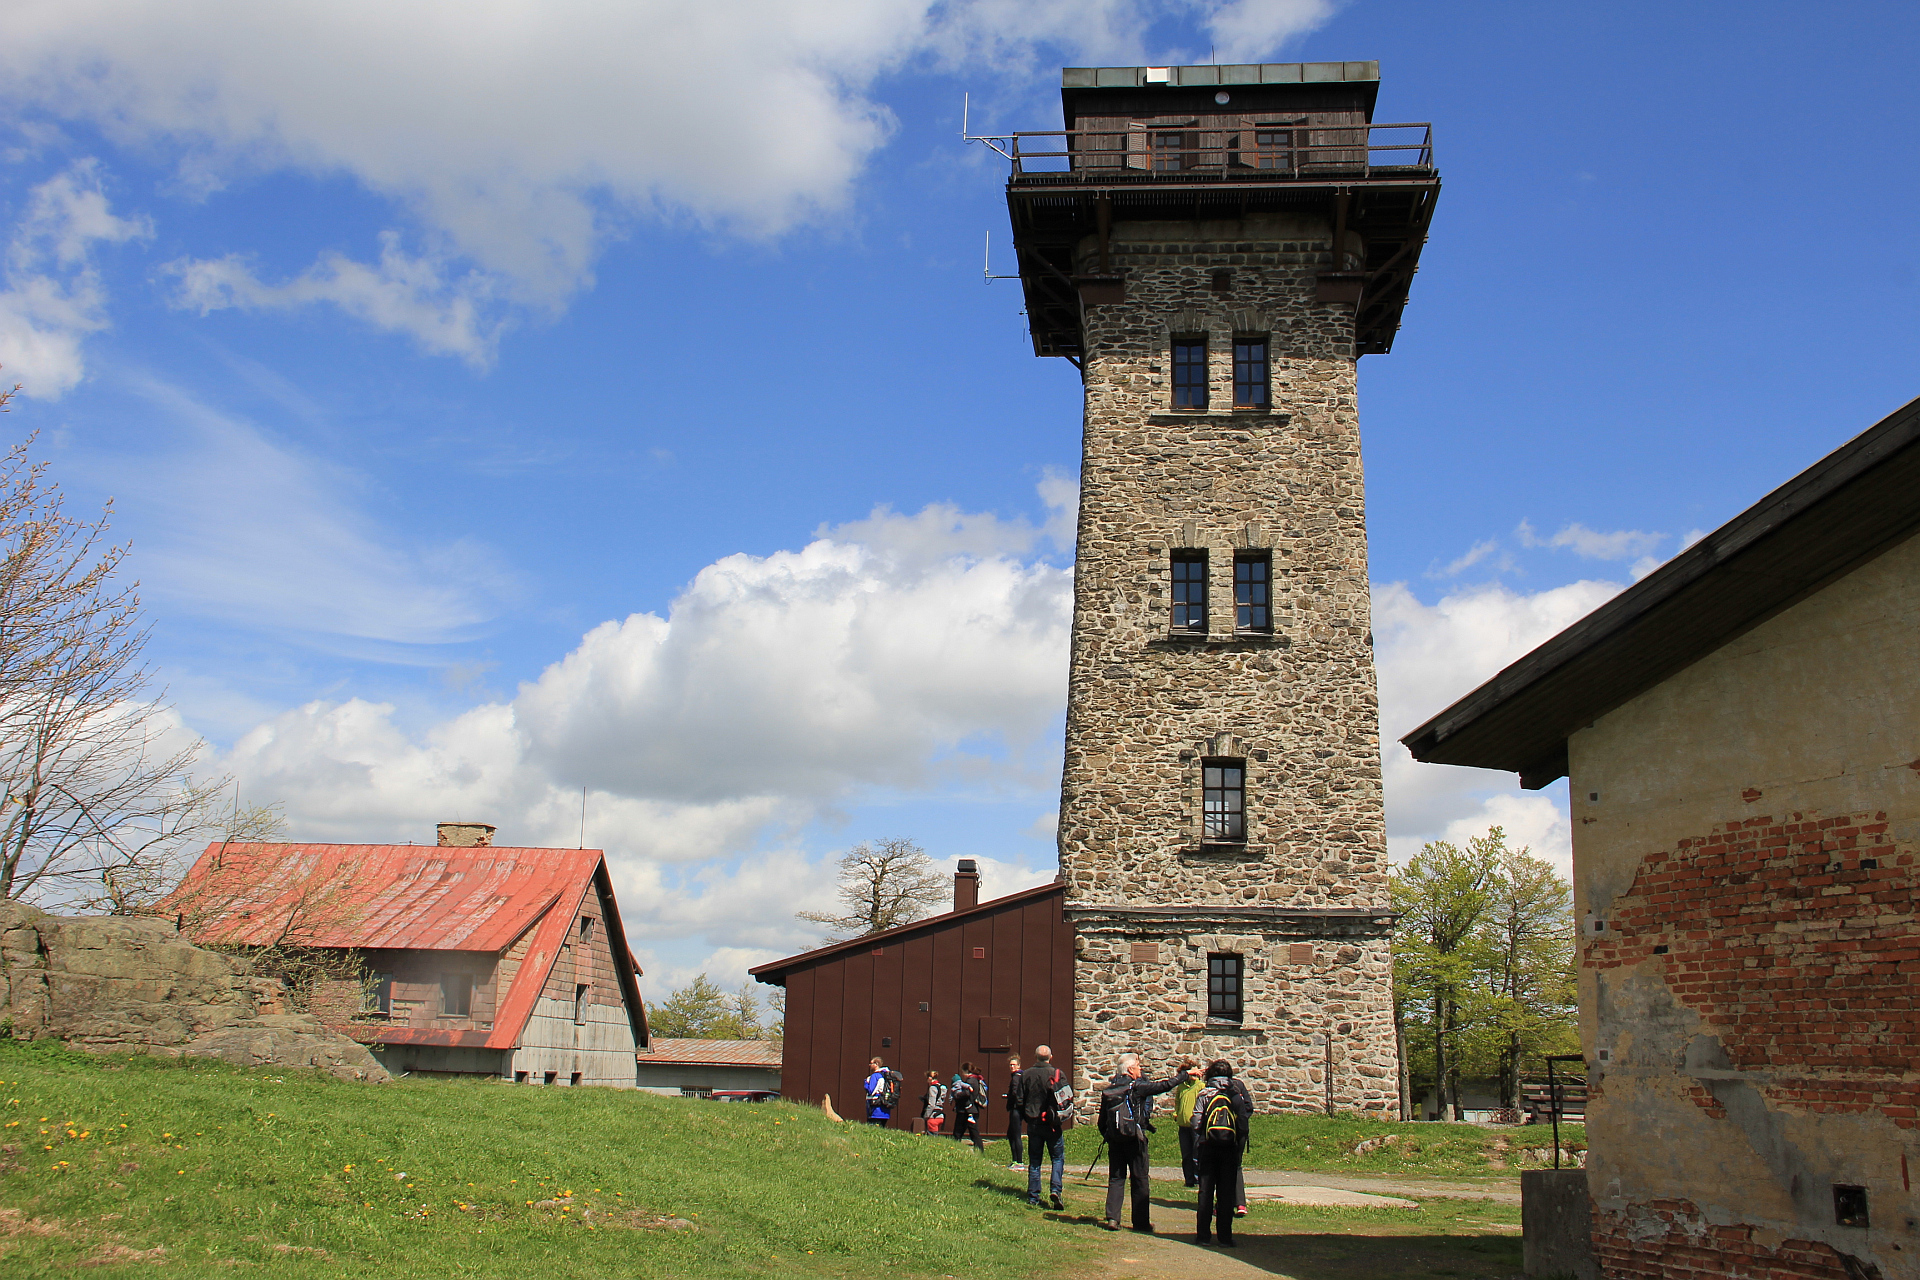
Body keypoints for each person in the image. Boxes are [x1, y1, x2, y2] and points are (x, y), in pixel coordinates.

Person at [1098, 1052, 1198, 1233]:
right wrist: (1185, 1075)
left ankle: (1113, 1218)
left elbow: (1102, 1122)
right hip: (1135, 1139)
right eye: (1138, 1066)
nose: (1140, 1069)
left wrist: (1110, 1135)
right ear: (1130, 1070)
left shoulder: (1110, 1090)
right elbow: (1164, 1085)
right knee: (1140, 1179)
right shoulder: (1137, 1087)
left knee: (1116, 1178)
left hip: (1115, 1141)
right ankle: (1141, 1222)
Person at [1191, 1058, 1253, 1247]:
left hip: (1208, 1146)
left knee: (1205, 1192)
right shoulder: (1235, 1095)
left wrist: (1203, 1135)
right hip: (1229, 1148)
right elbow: (1243, 1124)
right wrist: (1238, 1146)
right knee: (1226, 1193)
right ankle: (1225, 1237)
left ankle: (1203, 1236)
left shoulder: (1204, 1094)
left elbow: (1195, 1122)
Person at [1013, 1044, 1068, 1210]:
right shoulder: (1057, 1074)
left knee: (1035, 1160)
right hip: (1052, 1123)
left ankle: (1033, 1196)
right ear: (1051, 1057)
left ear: (1035, 1057)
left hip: (1034, 1122)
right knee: (1057, 1158)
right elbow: (1066, 1098)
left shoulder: (1026, 1074)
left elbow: (1019, 1100)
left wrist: (1026, 1116)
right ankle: (1056, 1190)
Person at [1169, 1057, 1202, 1188]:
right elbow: (1178, 1102)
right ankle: (1189, 1179)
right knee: (1186, 1154)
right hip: (1183, 1125)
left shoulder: (1200, 1086)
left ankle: (1198, 1178)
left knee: (1196, 1153)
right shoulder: (1181, 1087)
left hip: (1196, 1126)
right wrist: (1176, 1114)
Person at [950, 1061, 987, 1152]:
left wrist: (957, 1095)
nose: (962, 1074)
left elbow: (967, 1093)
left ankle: (954, 1150)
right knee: (974, 1133)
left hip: (965, 1111)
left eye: (962, 1072)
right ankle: (979, 1151)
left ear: (966, 1071)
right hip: (973, 1111)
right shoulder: (976, 1079)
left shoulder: (970, 1081)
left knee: (958, 1133)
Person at [862, 1056, 898, 1127]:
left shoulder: (875, 1076)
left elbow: (871, 1091)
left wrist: (866, 1083)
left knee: (873, 1129)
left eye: (871, 1063)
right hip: (885, 1110)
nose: (870, 1065)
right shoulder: (887, 1076)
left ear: (876, 1064)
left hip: (875, 1110)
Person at [1002, 1053, 1024, 1169]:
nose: (1012, 1067)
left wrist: (1011, 1098)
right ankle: (1015, 1160)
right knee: (1011, 1134)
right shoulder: (1022, 1076)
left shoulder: (1016, 1077)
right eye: (1010, 1065)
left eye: (1014, 1065)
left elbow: (1015, 1092)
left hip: (1016, 1109)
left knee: (1015, 1135)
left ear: (1018, 1066)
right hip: (1018, 1108)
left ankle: (1018, 1161)